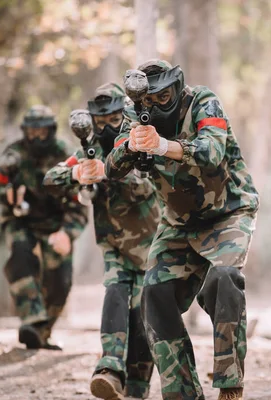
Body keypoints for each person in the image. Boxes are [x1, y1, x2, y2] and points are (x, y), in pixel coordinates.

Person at [105, 59, 259, 400]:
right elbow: (111, 167)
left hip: (229, 212)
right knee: (155, 294)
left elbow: (212, 151)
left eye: (164, 96)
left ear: (177, 88)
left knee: (223, 279)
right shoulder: (134, 117)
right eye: (151, 99)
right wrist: (131, 146)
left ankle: (230, 382)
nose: (159, 104)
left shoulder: (203, 101)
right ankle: (182, 393)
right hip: (178, 222)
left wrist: (162, 146)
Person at [43, 83, 162, 399]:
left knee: (143, 317)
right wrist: (78, 175)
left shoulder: (141, 138)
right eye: (101, 120)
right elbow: (50, 179)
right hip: (114, 245)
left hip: (152, 246)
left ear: (124, 114)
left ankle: (137, 387)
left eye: (113, 118)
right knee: (115, 294)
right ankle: (109, 368)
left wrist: (107, 172)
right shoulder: (89, 148)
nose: (107, 126)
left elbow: (145, 187)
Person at [0, 105, 88, 350]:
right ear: (25, 131)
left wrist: (67, 234)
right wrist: (9, 196)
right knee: (21, 258)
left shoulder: (66, 155)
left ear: (51, 131)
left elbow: (80, 203)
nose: (36, 137)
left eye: (41, 132)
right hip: (20, 220)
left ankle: (41, 332)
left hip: (56, 224)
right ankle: (31, 319)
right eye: (31, 132)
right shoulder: (12, 155)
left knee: (61, 280)